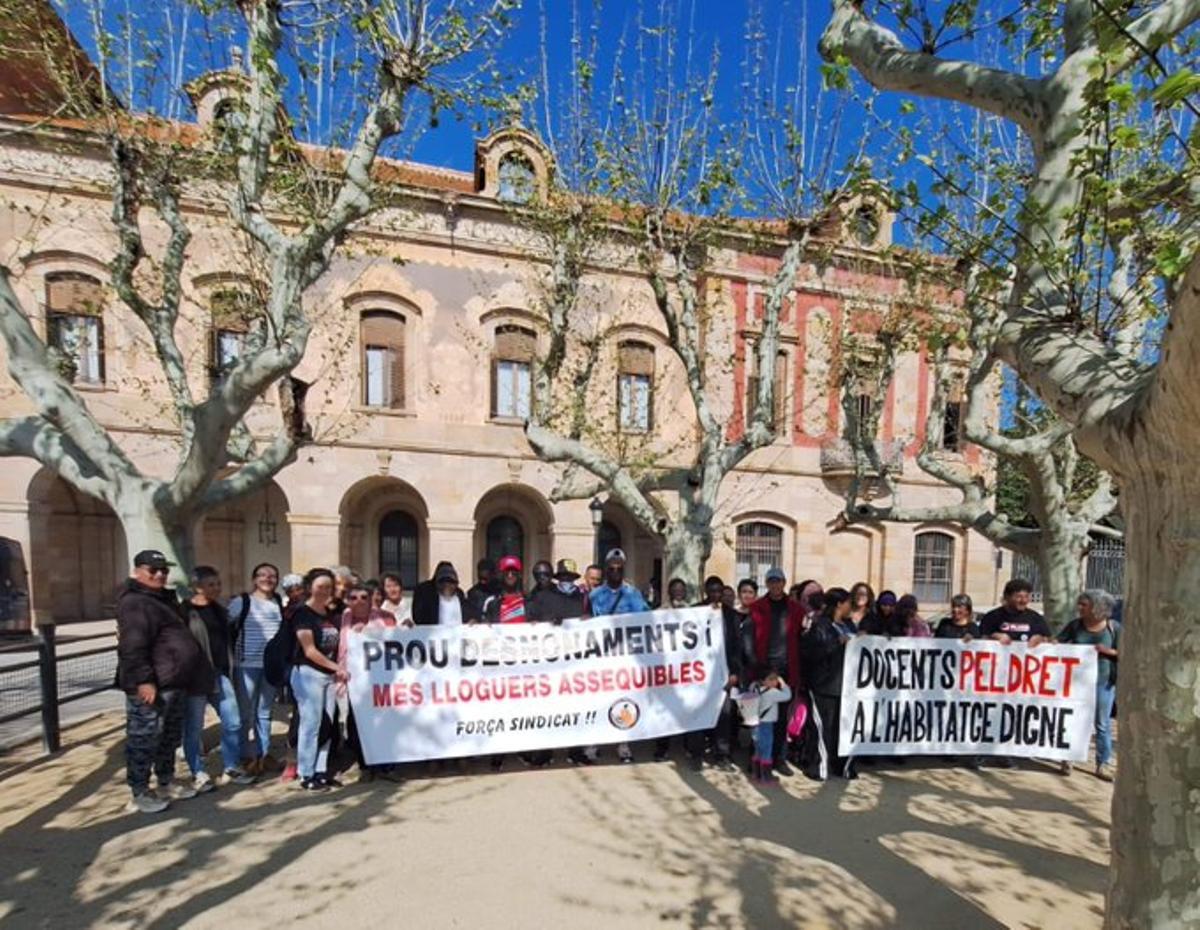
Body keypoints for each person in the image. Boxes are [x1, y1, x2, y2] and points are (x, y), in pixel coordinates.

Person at [116, 549, 208, 813]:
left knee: (168, 736)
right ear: (138, 571)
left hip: (174, 681)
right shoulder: (134, 602)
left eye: (163, 570)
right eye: (152, 570)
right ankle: (140, 790)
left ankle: (165, 780)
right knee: (144, 736)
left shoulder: (164, 599)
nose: (159, 574)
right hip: (152, 683)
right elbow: (133, 646)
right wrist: (144, 680)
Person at [181, 566, 254, 792]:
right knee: (193, 727)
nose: (216, 588)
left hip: (220, 674)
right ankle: (197, 771)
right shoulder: (183, 611)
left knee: (233, 720)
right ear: (197, 586)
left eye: (218, 583)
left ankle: (231, 765)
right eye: (211, 584)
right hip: (194, 677)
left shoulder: (220, 610)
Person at [588, 549, 650, 763]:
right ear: (606, 570)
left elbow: (645, 619)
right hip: (602, 656)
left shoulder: (633, 594)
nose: (615, 571)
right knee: (598, 698)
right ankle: (593, 743)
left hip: (626, 657)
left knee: (624, 699)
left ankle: (623, 744)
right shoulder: (595, 595)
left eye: (619, 568)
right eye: (611, 568)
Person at [291, 568, 347, 791]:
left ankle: (321, 770)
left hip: (329, 676)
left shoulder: (328, 614)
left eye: (328, 587)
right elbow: (309, 650)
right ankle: (306, 772)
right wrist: (337, 667)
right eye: (320, 586)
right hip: (308, 674)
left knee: (327, 723)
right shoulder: (302, 614)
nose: (325, 591)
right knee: (311, 724)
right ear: (309, 587)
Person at [338, 583, 399, 781]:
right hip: (355, 682)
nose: (359, 602)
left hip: (383, 681)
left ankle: (386, 767)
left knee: (385, 722)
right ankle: (365, 766)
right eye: (353, 598)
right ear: (348, 601)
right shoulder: (343, 620)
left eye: (364, 597)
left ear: (372, 597)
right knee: (356, 725)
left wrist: (406, 630)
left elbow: (397, 641)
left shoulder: (385, 618)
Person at [1056, 589, 1120, 780]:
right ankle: (1068, 758)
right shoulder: (1075, 626)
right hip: (1076, 683)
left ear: (1097, 608)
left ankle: (1103, 763)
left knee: (1102, 724)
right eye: (1080, 604)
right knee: (1072, 719)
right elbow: (1058, 641)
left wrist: (1106, 651)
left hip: (1103, 682)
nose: (1080, 608)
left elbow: (1124, 652)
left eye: (1084, 604)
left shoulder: (1113, 628)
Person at [748, 567, 805, 774]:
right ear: (767, 583)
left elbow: (802, 637)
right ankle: (760, 757)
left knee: (782, 718)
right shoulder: (756, 607)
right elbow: (751, 641)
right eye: (771, 581)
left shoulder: (796, 609)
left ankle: (779, 758)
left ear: (784, 582)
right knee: (762, 718)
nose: (775, 585)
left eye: (778, 581)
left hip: (787, 669)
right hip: (764, 669)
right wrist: (759, 670)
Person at [229, 562, 284, 775]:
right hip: (246, 665)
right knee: (245, 713)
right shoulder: (241, 602)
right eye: (262, 575)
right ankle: (246, 755)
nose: (267, 579)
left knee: (265, 712)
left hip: (271, 665)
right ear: (254, 579)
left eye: (272, 576)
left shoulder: (279, 602)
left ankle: (263, 753)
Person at [802, 587, 856, 781]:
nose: (852, 607)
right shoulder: (820, 626)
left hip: (846, 686)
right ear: (840, 604)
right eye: (849, 602)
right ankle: (818, 767)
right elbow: (811, 654)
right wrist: (836, 643)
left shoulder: (850, 625)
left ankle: (841, 766)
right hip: (823, 686)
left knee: (841, 729)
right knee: (822, 728)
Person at [746, 670, 792, 785]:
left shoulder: (755, 689)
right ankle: (766, 777)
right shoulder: (772, 693)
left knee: (757, 751)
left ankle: (756, 775)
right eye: (773, 679)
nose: (775, 681)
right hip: (766, 726)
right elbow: (787, 696)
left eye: (776, 679)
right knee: (766, 751)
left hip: (755, 724)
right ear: (766, 681)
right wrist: (784, 685)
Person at [980, 579, 1051, 645]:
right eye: (1018, 597)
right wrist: (994, 637)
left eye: (1026, 597)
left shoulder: (1036, 618)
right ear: (1007, 597)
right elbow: (980, 640)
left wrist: (1041, 639)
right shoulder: (992, 617)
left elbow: (1050, 640)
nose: (1023, 601)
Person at [413, 562, 479, 626]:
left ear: (456, 584)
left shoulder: (463, 602)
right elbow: (420, 621)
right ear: (436, 584)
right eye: (442, 581)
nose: (447, 584)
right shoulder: (429, 604)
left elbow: (473, 618)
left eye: (451, 582)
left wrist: (473, 621)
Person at [528, 559, 589, 624]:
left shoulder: (583, 596)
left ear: (574, 578)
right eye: (563, 576)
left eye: (570, 577)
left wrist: (587, 618)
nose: (566, 579)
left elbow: (590, 615)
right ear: (558, 578)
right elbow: (535, 618)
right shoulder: (544, 596)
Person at [482, 556, 528, 624]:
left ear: (519, 574)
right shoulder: (492, 603)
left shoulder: (529, 602)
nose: (510, 575)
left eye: (513, 572)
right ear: (501, 575)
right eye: (507, 572)